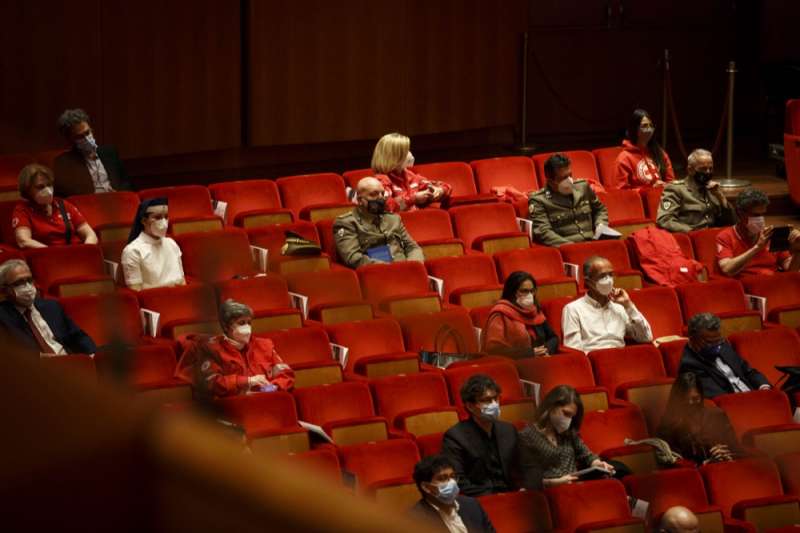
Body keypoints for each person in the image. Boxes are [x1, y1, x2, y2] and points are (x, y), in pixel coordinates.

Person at [175, 300, 295, 398]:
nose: (247, 328)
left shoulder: (264, 345)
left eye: (249, 322)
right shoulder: (211, 349)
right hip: (233, 409)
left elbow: (286, 373)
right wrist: (247, 381)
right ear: (227, 327)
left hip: (266, 403)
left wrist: (273, 387)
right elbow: (214, 383)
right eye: (241, 323)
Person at [442, 374, 537, 496]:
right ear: (470, 406)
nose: (494, 404)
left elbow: (530, 465)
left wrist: (526, 488)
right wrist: (494, 496)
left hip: (514, 495)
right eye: (486, 400)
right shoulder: (455, 437)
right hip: (483, 499)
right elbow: (458, 481)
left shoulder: (508, 429)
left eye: (495, 398)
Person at [519, 385, 619, 487]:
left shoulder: (569, 432)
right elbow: (526, 479)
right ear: (551, 406)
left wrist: (597, 463)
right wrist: (552, 482)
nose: (568, 421)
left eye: (572, 417)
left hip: (576, 486)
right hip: (550, 493)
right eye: (566, 414)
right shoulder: (527, 436)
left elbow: (586, 455)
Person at [0, 259, 96, 356]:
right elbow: (9, 355)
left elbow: (77, 336)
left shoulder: (51, 307)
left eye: (29, 280)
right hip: (36, 367)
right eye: (19, 283)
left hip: (68, 361)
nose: (27, 287)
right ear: (4, 290)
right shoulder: (3, 317)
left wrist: (92, 354)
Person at [561, 256, 653, 353]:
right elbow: (574, 351)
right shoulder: (573, 309)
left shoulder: (619, 307)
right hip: (594, 361)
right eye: (602, 276)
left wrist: (628, 305)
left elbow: (646, 337)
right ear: (588, 281)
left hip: (621, 358)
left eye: (610, 275)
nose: (608, 280)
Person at [333, 177, 425, 268]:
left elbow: (413, 247)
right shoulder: (347, 223)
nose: (381, 198)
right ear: (360, 200)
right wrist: (390, 269)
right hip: (377, 274)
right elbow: (353, 258)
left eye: (382, 193)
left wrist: (412, 267)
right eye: (374, 194)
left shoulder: (393, 219)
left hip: (406, 271)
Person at [656, 372, 743, 465]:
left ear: (701, 396)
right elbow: (673, 463)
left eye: (695, 399)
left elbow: (736, 449)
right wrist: (707, 463)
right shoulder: (668, 426)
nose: (690, 404)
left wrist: (726, 455)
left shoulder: (717, 415)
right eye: (685, 400)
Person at [677, 313, 770, 398]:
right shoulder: (689, 365)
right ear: (693, 339)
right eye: (709, 342)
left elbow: (747, 371)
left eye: (718, 340)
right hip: (736, 405)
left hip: (755, 395)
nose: (716, 346)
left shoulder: (723, 344)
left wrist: (763, 386)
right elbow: (720, 397)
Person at [528, 153, 609, 247]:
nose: (570, 181)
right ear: (550, 181)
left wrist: (600, 225)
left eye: (570, 175)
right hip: (567, 249)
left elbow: (600, 209)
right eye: (563, 178)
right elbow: (544, 232)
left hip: (594, 243)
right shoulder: (539, 200)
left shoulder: (583, 187)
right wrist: (573, 247)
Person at [716, 188, 800, 278]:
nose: (760, 219)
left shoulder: (771, 234)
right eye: (756, 215)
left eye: (763, 214)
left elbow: (790, 270)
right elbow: (727, 269)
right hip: (745, 286)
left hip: (772, 285)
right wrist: (757, 248)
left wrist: (798, 251)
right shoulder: (725, 236)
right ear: (740, 213)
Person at [11, 163, 98, 248]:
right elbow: (24, 241)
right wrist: (54, 254)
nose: (48, 190)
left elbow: (90, 234)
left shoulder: (63, 204)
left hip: (76, 253)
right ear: (27, 190)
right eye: (40, 187)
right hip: (48, 256)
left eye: (49, 185)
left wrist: (86, 251)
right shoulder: (22, 210)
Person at [53, 108, 132, 196]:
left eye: (87, 133)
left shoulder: (110, 152)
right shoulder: (65, 163)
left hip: (116, 200)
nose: (87, 139)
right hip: (89, 205)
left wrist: (119, 193)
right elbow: (65, 196)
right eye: (80, 137)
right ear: (70, 140)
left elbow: (126, 182)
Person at [410, 454, 496, 533]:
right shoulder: (414, 521)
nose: (452, 482)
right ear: (426, 487)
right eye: (442, 478)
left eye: (453, 476)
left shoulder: (472, 505)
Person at [656, 149, 736, 232]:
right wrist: (692, 232)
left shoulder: (713, 190)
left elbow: (732, 222)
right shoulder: (676, 189)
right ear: (690, 170)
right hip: (689, 239)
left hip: (713, 238)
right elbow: (664, 220)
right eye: (703, 169)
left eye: (710, 169)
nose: (708, 172)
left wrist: (721, 198)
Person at [482, 271, 559, 358]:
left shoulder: (535, 312)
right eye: (524, 291)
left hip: (540, 362)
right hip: (513, 365)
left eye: (532, 291)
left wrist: (545, 350)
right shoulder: (500, 314)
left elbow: (553, 338)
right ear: (512, 292)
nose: (529, 295)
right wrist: (530, 353)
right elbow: (494, 350)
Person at [371, 132, 452, 212]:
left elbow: (446, 186)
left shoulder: (410, 176)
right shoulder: (381, 180)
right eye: (406, 151)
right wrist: (414, 199)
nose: (410, 154)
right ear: (394, 157)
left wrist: (438, 191)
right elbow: (385, 207)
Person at [121, 198, 186, 291]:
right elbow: (136, 290)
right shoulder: (132, 251)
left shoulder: (172, 244)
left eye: (166, 217)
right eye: (158, 217)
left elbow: (182, 281)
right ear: (144, 221)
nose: (164, 222)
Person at [613, 109, 675, 190]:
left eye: (651, 125)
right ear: (634, 129)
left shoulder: (660, 153)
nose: (649, 129)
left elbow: (671, 181)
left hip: (664, 199)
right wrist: (649, 189)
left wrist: (664, 186)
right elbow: (622, 191)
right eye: (644, 126)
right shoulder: (624, 158)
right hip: (638, 201)